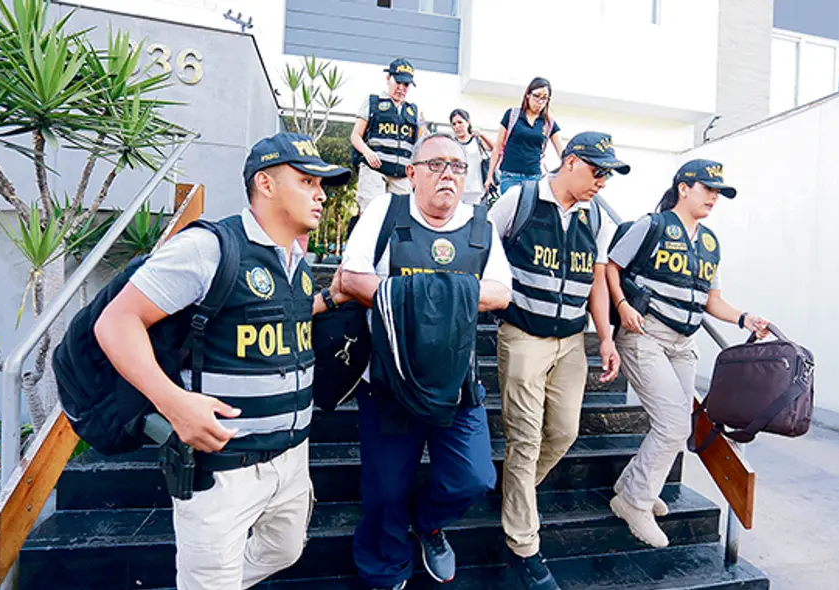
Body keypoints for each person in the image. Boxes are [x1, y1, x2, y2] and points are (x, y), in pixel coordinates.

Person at [93, 132, 353, 590]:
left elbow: (275, 311)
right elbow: (116, 322)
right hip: (223, 468)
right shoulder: (210, 248)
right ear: (266, 184)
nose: (320, 193)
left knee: (285, 549)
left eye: (321, 184)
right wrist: (173, 402)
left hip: (291, 458)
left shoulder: (296, 258)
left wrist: (330, 299)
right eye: (307, 181)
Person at [340, 133, 512, 590]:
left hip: (458, 385)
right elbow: (351, 277)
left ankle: (429, 524)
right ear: (412, 174)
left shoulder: (481, 226)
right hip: (389, 381)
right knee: (385, 490)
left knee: (473, 477)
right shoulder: (386, 213)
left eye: (457, 167)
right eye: (436, 165)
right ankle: (385, 568)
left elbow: (502, 290)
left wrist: (428, 297)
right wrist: (437, 297)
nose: (448, 175)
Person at [605, 159, 770, 549]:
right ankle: (633, 501)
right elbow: (610, 267)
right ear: (683, 187)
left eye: (719, 192)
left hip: (684, 342)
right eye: (707, 188)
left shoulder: (710, 242)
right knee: (674, 424)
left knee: (678, 423)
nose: (714, 197)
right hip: (645, 334)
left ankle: (632, 483)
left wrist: (744, 318)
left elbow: (712, 300)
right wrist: (622, 304)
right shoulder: (652, 225)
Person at [488, 132, 625, 590]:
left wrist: (604, 337)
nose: (602, 182)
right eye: (597, 171)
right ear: (569, 162)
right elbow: (483, 251)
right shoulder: (518, 200)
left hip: (571, 342)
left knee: (563, 431)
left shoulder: (598, 217)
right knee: (524, 439)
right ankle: (524, 546)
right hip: (523, 335)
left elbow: (597, 281)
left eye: (608, 174)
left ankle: (513, 491)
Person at [350, 57, 424, 213]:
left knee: (400, 219)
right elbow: (355, 135)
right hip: (374, 169)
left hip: (402, 174)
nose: (401, 88)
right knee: (372, 215)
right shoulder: (373, 103)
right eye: (398, 82)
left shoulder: (414, 111)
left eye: (406, 85)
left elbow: (421, 144)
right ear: (388, 78)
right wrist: (367, 152)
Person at [484, 77, 562, 195]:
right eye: (537, 96)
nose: (540, 101)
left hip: (533, 178)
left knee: (528, 212)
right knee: (510, 211)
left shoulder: (549, 123)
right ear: (528, 95)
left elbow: (562, 152)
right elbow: (498, 148)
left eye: (544, 98)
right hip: (510, 176)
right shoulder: (512, 115)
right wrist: (490, 175)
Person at [449, 108, 495, 205]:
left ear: (468, 122)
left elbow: (495, 149)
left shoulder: (476, 140)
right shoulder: (452, 143)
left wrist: (482, 135)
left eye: (460, 122)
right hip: (456, 188)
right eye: (454, 124)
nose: (457, 126)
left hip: (476, 189)